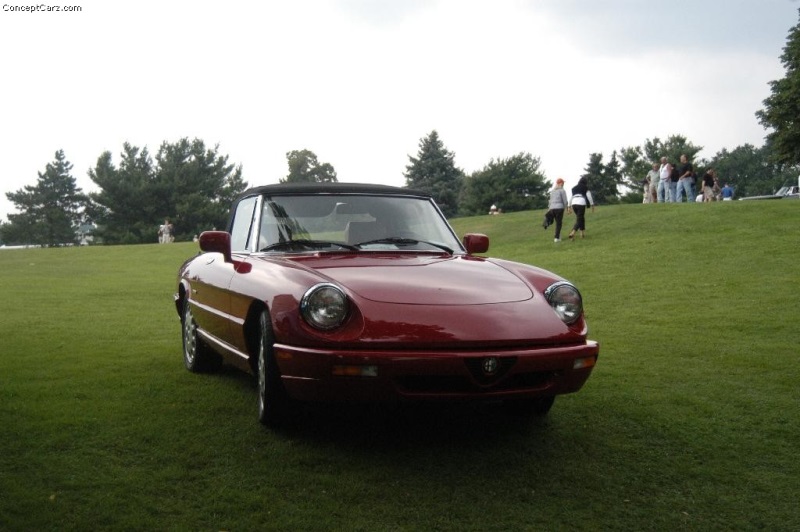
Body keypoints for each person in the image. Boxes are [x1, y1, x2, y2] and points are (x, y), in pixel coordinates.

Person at [543, 178, 569, 242]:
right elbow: (565, 201)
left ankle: (556, 234)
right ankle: (556, 238)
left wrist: (549, 208)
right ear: (561, 183)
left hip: (552, 208)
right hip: (559, 208)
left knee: (555, 222)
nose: (563, 184)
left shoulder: (553, 191)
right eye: (563, 183)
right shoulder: (562, 191)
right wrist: (567, 208)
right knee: (558, 223)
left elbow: (550, 201)